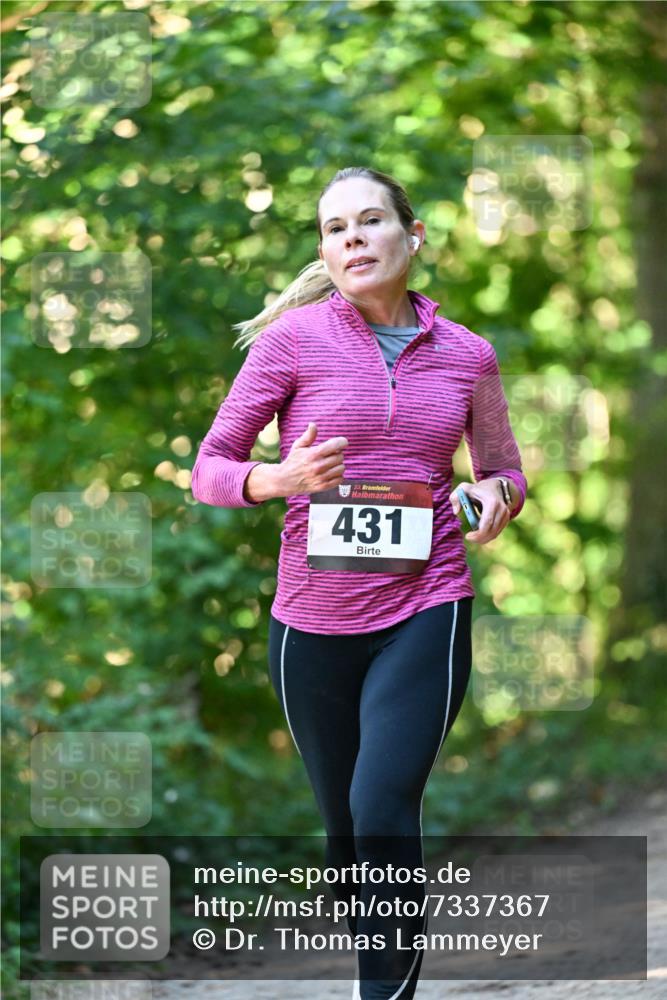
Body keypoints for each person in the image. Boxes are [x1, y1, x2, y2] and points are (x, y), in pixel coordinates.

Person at [191, 166, 527, 1000]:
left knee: (383, 807)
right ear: (325, 250)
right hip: (309, 622)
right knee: (348, 839)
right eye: (335, 227)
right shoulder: (292, 342)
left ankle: (386, 993)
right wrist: (278, 478)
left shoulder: (467, 356)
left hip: (427, 604)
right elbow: (209, 469)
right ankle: (373, 955)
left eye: (369, 220)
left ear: (410, 237)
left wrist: (495, 497)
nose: (350, 237)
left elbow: (502, 471)